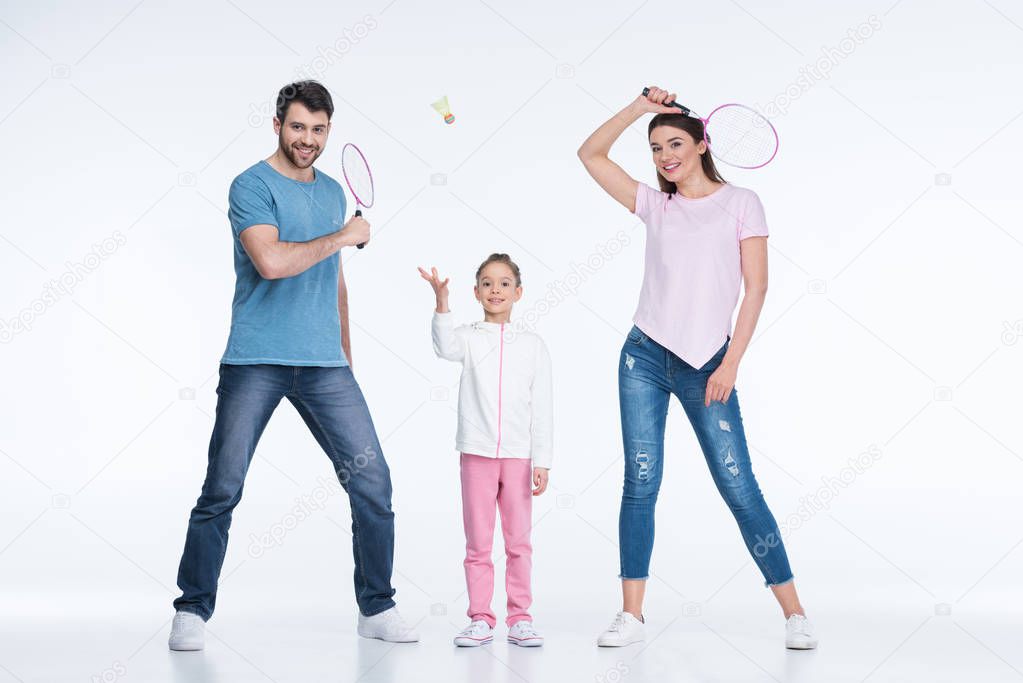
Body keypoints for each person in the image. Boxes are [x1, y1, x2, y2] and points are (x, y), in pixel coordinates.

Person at [168, 80, 418, 651]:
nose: (308, 139)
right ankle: (192, 608)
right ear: (277, 124)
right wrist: (346, 235)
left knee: (373, 483)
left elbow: (335, 282)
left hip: (325, 364)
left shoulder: (331, 192)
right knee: (223, 487)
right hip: (255, 359)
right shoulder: (250, 185)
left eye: (319, 129)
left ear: (330, 132)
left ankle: (376, 606)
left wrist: (346, 357)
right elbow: (274, 261)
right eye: (298, 126)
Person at [577, 86, 817, 650]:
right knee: (641, 481)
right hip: (643, 357)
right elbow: (590, 155)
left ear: (703, 144)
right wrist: (639, 107)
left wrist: (730, 364)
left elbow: (756, 288)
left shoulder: (742, 203)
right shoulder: (654, 204)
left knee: (738, 485)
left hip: (709, 363)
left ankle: (795, 613)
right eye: (656, 147)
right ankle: (631, 616)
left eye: (675, 143)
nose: (664, 155)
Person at [418, 254, 553, 648]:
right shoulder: (468, 337)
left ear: (518, 292)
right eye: (488, 283)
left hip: (518, 457)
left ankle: (520, 618)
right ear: (476, 292)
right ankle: (480, 617)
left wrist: (541, 460)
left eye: (505, 283)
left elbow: (542, 407)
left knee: (518, 542)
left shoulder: (532, 345)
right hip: (476, 454)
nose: (496, 290)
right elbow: (443, 347)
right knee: (478, 542)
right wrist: (442, 303)